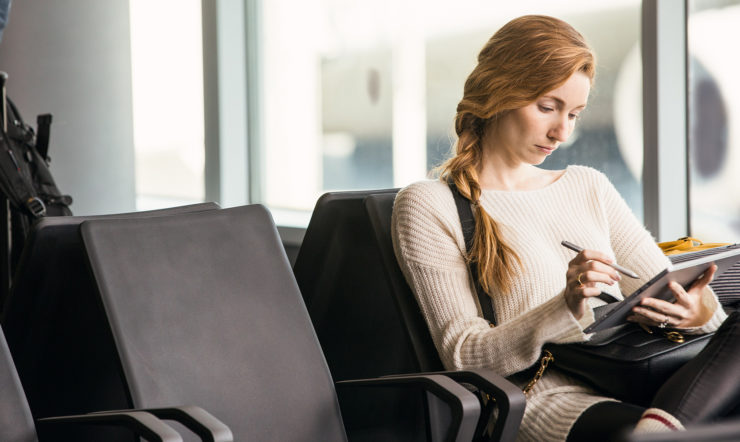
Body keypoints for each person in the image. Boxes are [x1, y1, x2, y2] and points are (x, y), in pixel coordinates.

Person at [391, 14, 740, 442]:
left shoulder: (587, 185)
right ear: (500, 92)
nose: (562, 132)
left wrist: (697, 311)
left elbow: (690, 307)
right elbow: (463, 355)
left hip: (644, 383)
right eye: (547, 107)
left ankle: (656, 432)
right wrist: (565, 303)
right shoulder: (431, 204)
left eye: (574, 114)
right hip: (544, 398)